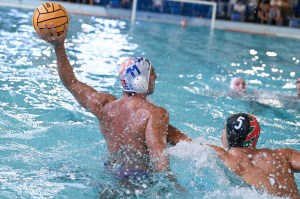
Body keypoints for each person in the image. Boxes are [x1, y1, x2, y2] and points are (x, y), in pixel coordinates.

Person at [36, 24, 190, 180]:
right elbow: (160, 161)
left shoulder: (105, 106)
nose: (155, 77)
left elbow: (72, 83)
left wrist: (59, 47)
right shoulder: (153, 113)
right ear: (140, 79)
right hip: (139, 179)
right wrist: (175, 187)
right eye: (152, 73)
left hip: (110, 172)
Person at [209, 113, 300, 198]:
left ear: (231, 135)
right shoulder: (284, 155)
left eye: (224, 128)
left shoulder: (227, 157)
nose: (222, 131)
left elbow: (196, 145)